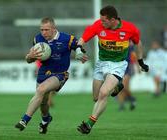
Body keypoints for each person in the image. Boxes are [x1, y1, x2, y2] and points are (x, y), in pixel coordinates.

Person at [75, 5, 149, 134]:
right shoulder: (98, 25)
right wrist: (79, 48)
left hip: (118, 65)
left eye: (104, 21)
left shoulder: (130, 29)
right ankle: (117, 87)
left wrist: (141, 61)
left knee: (104, 93)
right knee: (96, 97)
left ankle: (89, 124)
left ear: (113, 20)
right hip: (101, 63)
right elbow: (84, 38)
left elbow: (138, 43)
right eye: (101, 20)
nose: (101, 23)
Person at [15, 17, 87, 134]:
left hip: (60, 74)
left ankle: (24, 120)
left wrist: (79, 53)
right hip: (43, 73)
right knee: (43, 102)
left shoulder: (66, 38)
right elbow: (28, 60)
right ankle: (45, 120)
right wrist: (30, 56)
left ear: (54, 29)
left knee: (41, 89)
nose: (43, 32)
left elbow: (78, 45)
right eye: (42, 30)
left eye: (46, 30)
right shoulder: (37, 39)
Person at [117, 43, 138, 111]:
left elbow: (133, 56)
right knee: (119, 87)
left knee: (125, 86)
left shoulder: (129, 44)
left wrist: (137, 66)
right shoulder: (115, 42)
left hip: (127, 67)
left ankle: (132, 99)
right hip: (117, 67)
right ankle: (121, 105)